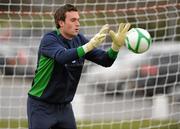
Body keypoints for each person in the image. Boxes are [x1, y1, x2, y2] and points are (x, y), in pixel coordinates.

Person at [27, 4, 130, 129]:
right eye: (73, 20)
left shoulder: (79, 40)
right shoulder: (49, 39)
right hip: (41, 106)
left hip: (64, 107)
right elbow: (62, 57)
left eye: (78, 20)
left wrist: (116, 47)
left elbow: (106, 61)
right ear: (61, 23)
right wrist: (89, 45)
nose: (77, 23)